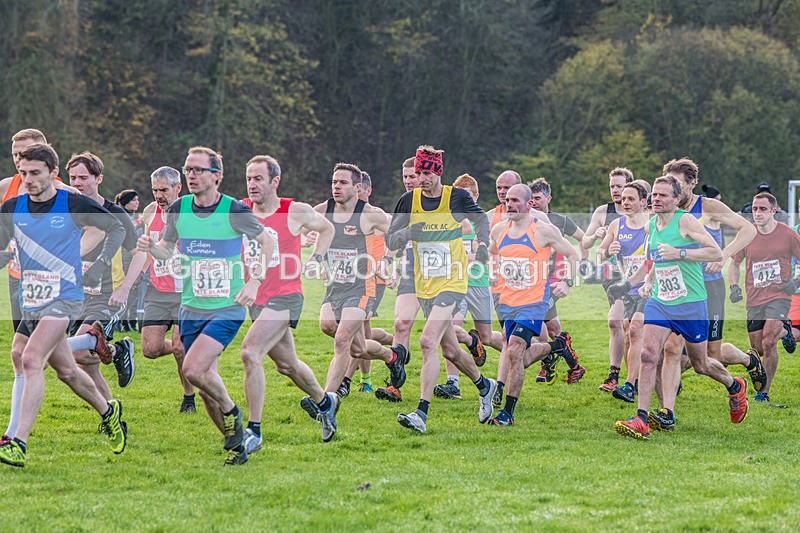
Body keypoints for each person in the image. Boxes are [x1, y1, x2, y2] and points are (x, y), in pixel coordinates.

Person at [138, 146, 275, 465]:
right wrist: (150, 247)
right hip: (190, 307)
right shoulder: (179, 210)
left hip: (226, 307)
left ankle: (233, 412)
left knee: (194, 368)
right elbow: (167, 251)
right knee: (202, 386)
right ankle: (236, 444)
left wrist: (255, 280)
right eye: (188, 170)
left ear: (217, 175)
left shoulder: (233, 210)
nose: (192, 175)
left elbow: (266, 240)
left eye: (199, 170)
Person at [0, 143, 127, 467]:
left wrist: (98, 264)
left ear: (53, 174)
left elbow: (115, 226)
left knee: (29, 358)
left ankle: (17, 442)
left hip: (66, 297)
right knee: (67, 371)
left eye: (35, 173)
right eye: (23, 173)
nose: (28, 179)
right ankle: (108, 411)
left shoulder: (70, 202)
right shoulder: (12, 208)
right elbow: (2, 248)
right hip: (32, 299)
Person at [614, 175, 747, 441]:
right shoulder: (652, 225)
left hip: (691, 305)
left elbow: (715, 252)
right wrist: (647, 283)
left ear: (676, 199)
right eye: (654, 194)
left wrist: (681, 253)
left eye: (663, 195)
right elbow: (654, 259)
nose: (656, 199)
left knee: (701, 364)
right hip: (661, 302)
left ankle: (734, 385)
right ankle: (641, 418)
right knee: (649, 355)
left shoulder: (685, 221)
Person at [386, 145, 496, 433]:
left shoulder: (456, 197)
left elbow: (481, 218)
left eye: (426, 172)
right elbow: (391, 240)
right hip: (425, 284)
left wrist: (483, 244)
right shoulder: (408, 200)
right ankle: (485, 386)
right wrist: (408, 233)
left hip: (454, 280)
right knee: (450, 350)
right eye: (418, 173)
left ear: (438, 172)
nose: (421, 178)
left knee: (426, 341)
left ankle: (421, 413)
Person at [238, 155, 337, 453]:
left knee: (250, 352)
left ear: (275, 181)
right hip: (257, 299)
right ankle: (325, 402)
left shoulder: (294, 211)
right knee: (287, 365)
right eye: (249, 178)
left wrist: (317, 257)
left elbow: (328, 229)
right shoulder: (240, 211)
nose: (252, 184)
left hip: (286, 295)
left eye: (258, 178)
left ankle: (253, 431)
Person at [653, 158, 760, 428]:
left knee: (710, 357)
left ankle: (745, 366)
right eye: (669, 182)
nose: (672, 188)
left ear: (691, 184)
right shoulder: (666, 212)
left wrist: (723, 255)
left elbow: (748, 229)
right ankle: (667, 412)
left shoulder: (708, 207)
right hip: (677, 290)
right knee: (670, 349)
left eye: (677, 183)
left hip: (708, 289)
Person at [308, 162, 406, 431]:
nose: (336, 187)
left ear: (357, 187)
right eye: (334, 182)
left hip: (362, 288)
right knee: (352, 344)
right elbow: (298, 227)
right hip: (334, 287)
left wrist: (391, 259)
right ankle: (391, 357)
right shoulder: (323, 210)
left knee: (342, 341)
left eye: (342, 183)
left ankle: (326, 401)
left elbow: (398, 236)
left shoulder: (370, 215)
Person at [487, 184, 579, 425]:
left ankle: (507, 413)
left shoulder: (543, 231)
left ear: (529, 205)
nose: (510, 205)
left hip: (535, 301)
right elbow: (491, 252)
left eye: (516, 200)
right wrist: (492, 271)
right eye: (507, 200)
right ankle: (556, 346)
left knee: (515, 349)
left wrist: (567, 282)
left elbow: (572, 254)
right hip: (508, 300)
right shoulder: (498, 230)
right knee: (519, 356)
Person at [122, 166, 196, 413]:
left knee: (178, 346)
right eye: (155, 190)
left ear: (178, 188)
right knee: (150, 350)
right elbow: (147, 249)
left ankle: (189, 398)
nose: (159, 195)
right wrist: (135, 278)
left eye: (164, 190)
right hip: (158, 289)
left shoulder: (191, 211)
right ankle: (186, 349)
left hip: (186, 291)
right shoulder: (150, 212)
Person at [67, 152, 138, 397]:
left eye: (83, 177)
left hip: (106, 296)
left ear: (99, 179)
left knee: (76, 351)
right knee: (87, 366)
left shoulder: (115, 213)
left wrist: (125, 289)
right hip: (77, 297)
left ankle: (119, 350)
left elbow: (140, 254)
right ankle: (112, 416)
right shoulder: (67, 210)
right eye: (73, 177)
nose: (77, 183)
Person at [434, 174, 504, 400]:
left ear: (476, 196)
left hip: (479, 284)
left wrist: (486, 264)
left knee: (487, 337)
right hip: (456, 285)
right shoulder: (450, 220)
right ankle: (453, 383)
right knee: (452, 328)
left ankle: (517, 353)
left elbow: (492, 253)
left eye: (469, 197)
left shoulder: (482, 222)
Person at [728, 192, 800, 403]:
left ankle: (763, 393)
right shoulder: (747, 235)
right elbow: (734, 263)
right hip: (754, 297)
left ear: (773, 210)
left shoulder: (787, 234)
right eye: (754, 209)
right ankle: (787, 329)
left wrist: (796, 283)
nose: (757, 214)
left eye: (762, 209)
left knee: (769, 341)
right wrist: (733, 286)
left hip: (780, 295)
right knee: (758, 348)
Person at [528, 177, 587, 386]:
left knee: (541, 323)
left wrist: (584, 260)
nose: (533, 202)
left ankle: (547, 364)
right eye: (531, 198)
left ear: (548, 198)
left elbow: (583, 238)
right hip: (534, 281)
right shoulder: (528, 220)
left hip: (554, 281)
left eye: (537, 198)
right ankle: (574, 366)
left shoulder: (560, 221)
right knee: (552, 327)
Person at [582, 168, 634, 395]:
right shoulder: (604, 212)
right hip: (613, 275)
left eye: (620, 186)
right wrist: (595, 236)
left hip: (637, 275)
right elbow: (585, 241)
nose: (615, 190)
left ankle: (636, 376)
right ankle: (617, 375)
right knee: (618, 323)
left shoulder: (642, 212)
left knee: (633, 327)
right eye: (612, 186)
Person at [598, 181, 650, 401]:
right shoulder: (616, 225)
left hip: (648, 286)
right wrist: (608, 250)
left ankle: (630, 384)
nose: (625, 202)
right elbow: (600, 253)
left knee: (636, 330)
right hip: (625, 286)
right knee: (628, 330)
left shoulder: (652, 224)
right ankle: (633, 379)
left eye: (631, 199)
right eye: (623, 199)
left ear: (643, 202)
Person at [377, 157, 420, 402]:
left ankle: (482, 382)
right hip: (411, 269)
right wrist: (388, 262)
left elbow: (466, 226)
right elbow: (394, 238)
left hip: (440, 274)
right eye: (405, 176)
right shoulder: (405, 202)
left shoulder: (442, 200)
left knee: (449, 340)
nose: (408, 181)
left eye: (412, 176)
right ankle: (395, 387)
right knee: (401, 324)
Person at [114, 188, 143, 331]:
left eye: (138, 199)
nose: (137, 202)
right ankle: (120, 320)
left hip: (133, 254)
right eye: (134, 200)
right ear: (125, 202)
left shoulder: (133, 216)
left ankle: (128, 321)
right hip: (125, 255)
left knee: (134, 288)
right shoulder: (120, 216)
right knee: (128, 286)